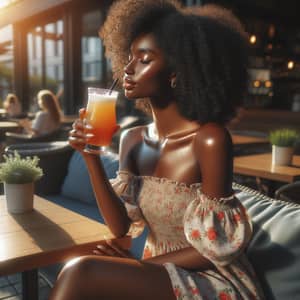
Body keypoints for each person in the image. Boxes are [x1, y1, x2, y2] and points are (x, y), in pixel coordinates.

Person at [49, 1, 265, 299]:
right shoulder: (132, 139)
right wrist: (91, 158)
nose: (127, 69)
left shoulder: (210, 139)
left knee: (79, 270)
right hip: (155, 272)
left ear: (176, 72)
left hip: (209, 278)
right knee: (80, 272)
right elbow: (120, 226)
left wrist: (140, 265)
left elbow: (213, 249)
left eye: (144, 59)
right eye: (129, 57)